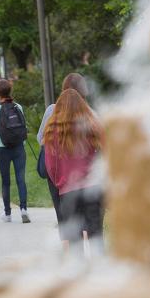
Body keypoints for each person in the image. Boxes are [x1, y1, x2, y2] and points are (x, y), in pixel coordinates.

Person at [43, 88, 104, 253]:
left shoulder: (51, 131)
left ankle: (80, 274)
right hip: (91, 187)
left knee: (75, 240)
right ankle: (100, 273)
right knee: (96, 236)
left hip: (68, 190)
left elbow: (51, 165)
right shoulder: (91, 127)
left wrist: (59, 182)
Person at [37, 73, 90, 224]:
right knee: (86, 220)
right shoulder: (89, 112)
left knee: (63, 218)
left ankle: (68, 245)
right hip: (83, 174)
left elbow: (41, 139)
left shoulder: (52, 110)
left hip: (57, 173)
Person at [0, 79, 30, 223]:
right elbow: (22, 126)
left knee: (5, 181)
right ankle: (24, 209)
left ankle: (7, 214)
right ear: (10, 91)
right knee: (21, 179)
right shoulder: (17, 107)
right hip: (19, 147)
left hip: (3, 149)